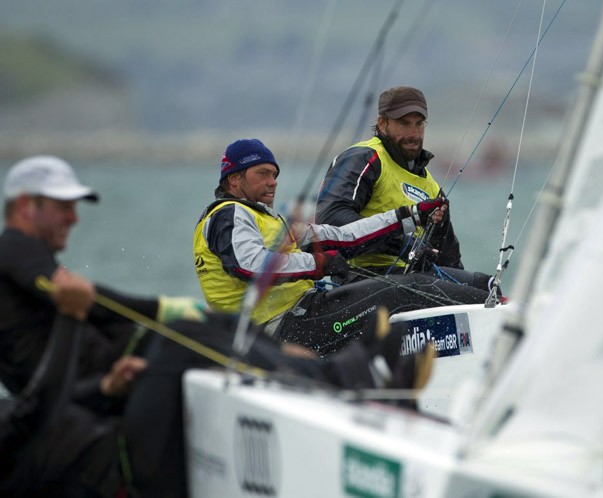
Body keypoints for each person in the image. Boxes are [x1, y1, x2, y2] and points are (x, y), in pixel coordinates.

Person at [0, 155, 427, 497]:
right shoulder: (15, 249)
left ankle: (335, 372)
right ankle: (346, 374)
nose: (73, 219)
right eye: (62, 207)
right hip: (99, 400)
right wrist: (162, 309)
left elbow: (83, 314)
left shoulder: (26, 262)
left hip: (103, 387)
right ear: (25, 206)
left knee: (213, 325)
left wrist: (406, 217)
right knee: (191, 330)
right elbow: (86, 303)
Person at [194, 139, 490, 358]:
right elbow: (251, 265)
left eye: (275, 175)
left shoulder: (267, 220)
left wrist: (410, 215)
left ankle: (496, 304)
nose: (273, 182)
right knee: (405, 290)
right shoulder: (229, 214)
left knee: (402, 293)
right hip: (279, 330)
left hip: (303, 315)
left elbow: (344, 236)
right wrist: (319, 264)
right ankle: (497, 315)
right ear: (234, 178)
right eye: (263, 174)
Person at [315, 86, 494, 293]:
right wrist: (399, 243)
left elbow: (449, 259)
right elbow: (330, 220)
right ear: (382, 123)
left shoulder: (431, 186)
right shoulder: (363, 158)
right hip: (361, 279)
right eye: (404, 124)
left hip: (415, 282)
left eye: (419, 124)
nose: (414, 133)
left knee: (486, 287)